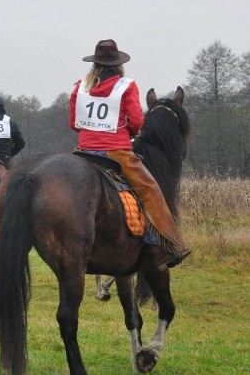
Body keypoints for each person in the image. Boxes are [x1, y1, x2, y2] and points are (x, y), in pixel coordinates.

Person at [70, 39, 190, 270]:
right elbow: (136, 123)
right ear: (118, 64)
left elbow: (74, 122)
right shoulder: (126, 86)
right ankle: (167, 246)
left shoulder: (80, 86)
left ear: (95, 64)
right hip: (116, 151)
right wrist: (127, 131)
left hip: (83, 151)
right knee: (151, 190)